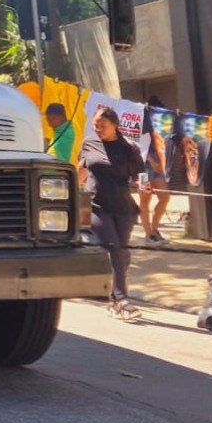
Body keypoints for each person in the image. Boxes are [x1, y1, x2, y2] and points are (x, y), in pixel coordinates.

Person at [80, 106, 143, 321]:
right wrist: (68, 191)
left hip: (123, 208)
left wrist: (143, 186)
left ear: (115, 125)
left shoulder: (129, 148)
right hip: (96, 206)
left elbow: (139, 177)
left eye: (103, 126)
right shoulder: (89, 143)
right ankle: (123, 300)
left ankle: (113, 301)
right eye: (95, 125)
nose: (98, 129)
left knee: (122, 255)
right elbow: (82, 168)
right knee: (115, 249)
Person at [139, 96, 173, 246]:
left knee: (164, 197)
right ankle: (148, 235)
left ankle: (154, 230)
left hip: (157, 161)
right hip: (142, 164)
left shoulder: (161, 122)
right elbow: (138, 143)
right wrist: (152, 161)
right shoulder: (142, 120)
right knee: (144, 200)